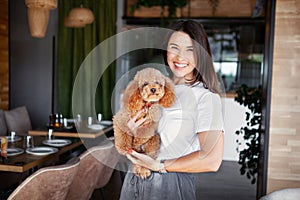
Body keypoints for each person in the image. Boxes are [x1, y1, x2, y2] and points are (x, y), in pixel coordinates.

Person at [119, 20, 224, 200]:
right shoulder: (159, 89)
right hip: (134, 179)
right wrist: (132, 131)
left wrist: (160, 165)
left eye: (189, 49)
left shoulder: (205, 97)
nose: (180, 56)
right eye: (174, 47)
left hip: (169, 185)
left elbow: (212, 160)